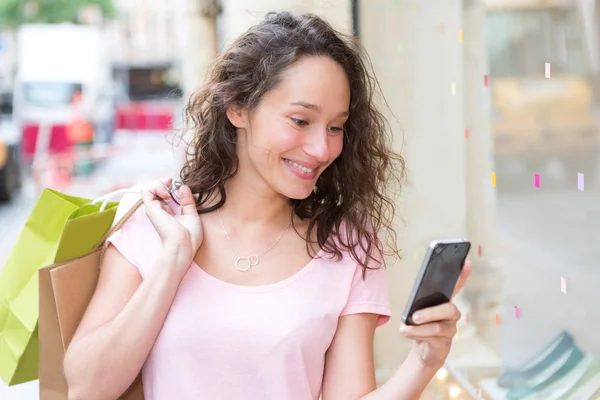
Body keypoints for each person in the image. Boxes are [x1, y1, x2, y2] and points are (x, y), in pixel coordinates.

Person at [63, 11, 471, 400]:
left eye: (336, 127)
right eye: (300, 121)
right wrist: (173, 260)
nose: (320, 148)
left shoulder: (346, 248)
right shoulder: (153, 222)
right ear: (238, 108)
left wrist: (424, 360)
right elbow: (86, 388)